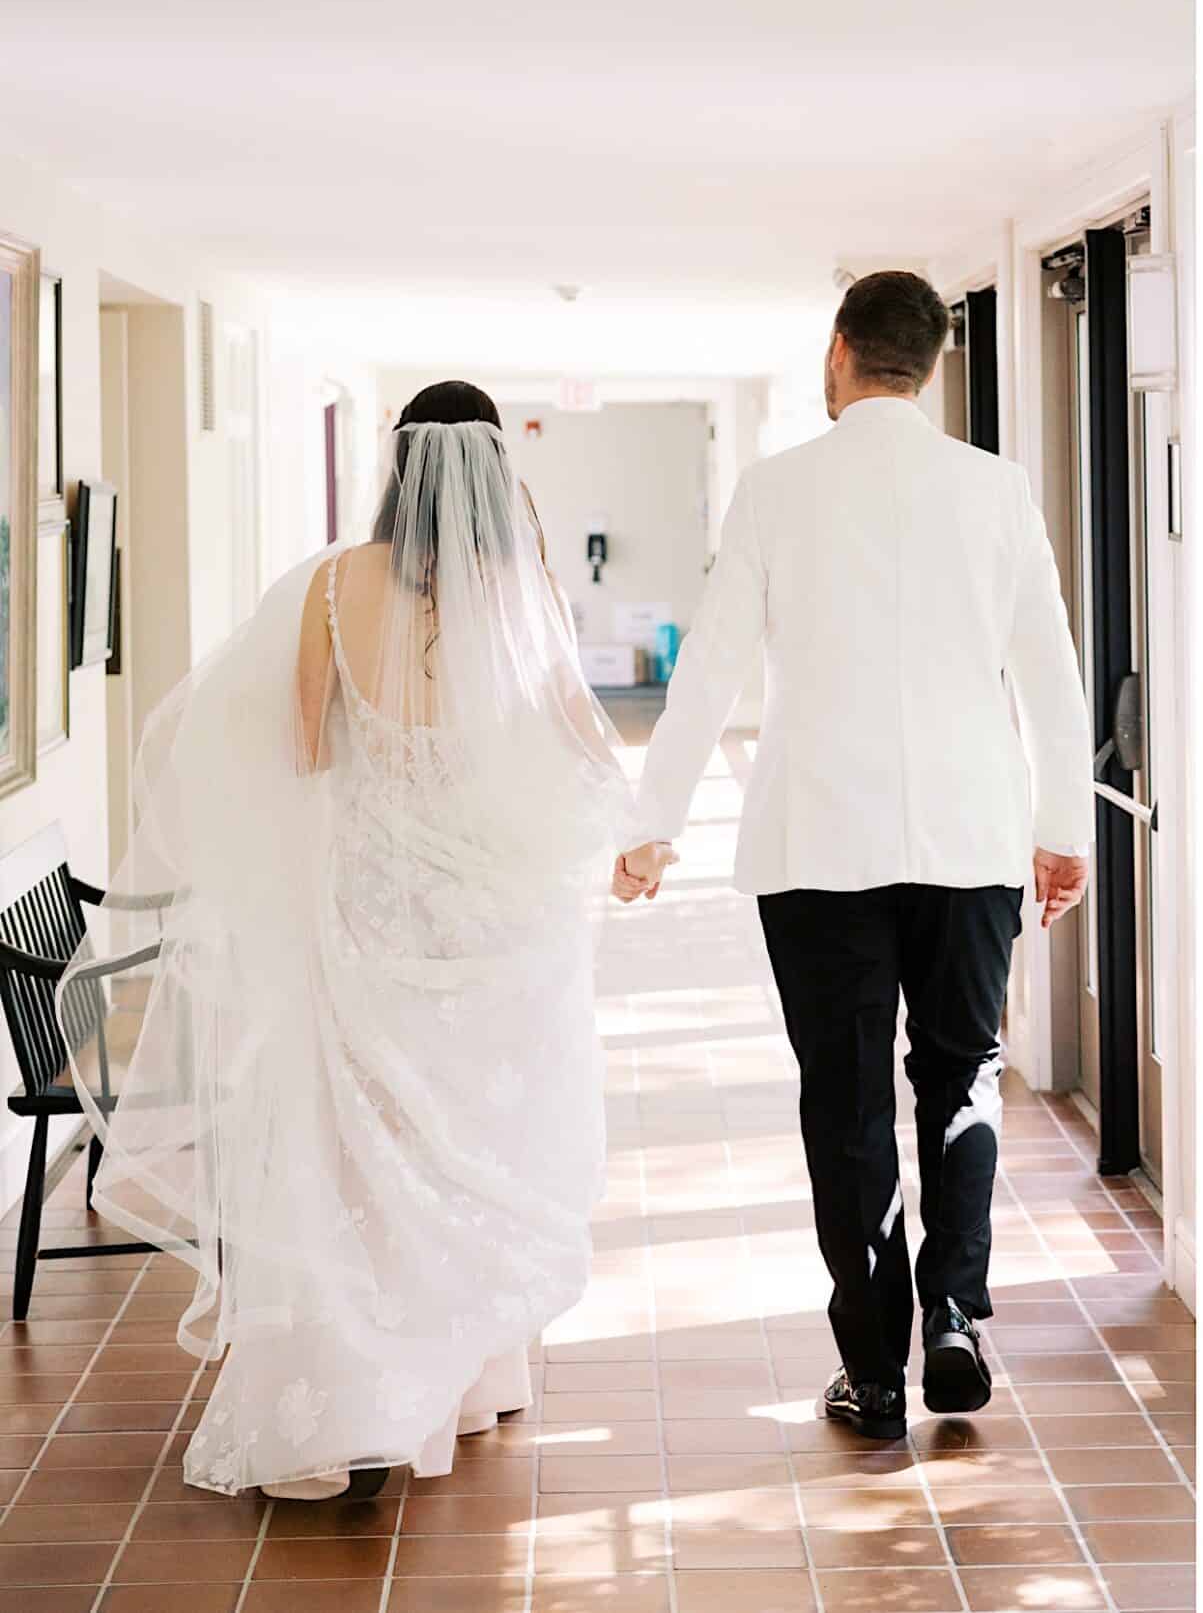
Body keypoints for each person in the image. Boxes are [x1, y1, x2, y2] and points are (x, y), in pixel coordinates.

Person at [66, 381, 632, 1499]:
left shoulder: (331, 586)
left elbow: (307, 748)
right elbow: (578, 733)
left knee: (363, 1151)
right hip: (491, 925)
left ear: (397, 465)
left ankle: (363, 1392)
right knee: (474, 1136)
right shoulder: (521, 591)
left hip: (369, 913)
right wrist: (621, 835)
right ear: (487, 474)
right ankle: (467, 1377)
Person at [616, 270, 1091, 1440]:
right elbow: (1049, 668)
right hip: (969, 836)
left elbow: (712, 664)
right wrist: (1062, 832)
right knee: (961, 1075)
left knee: (845, 1098)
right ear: (926, 364)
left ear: (839, 354)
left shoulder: (776, 491)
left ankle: (873, 1367)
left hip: (819, 839)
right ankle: (957, 1322)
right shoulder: (994, 489)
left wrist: (653, 819)